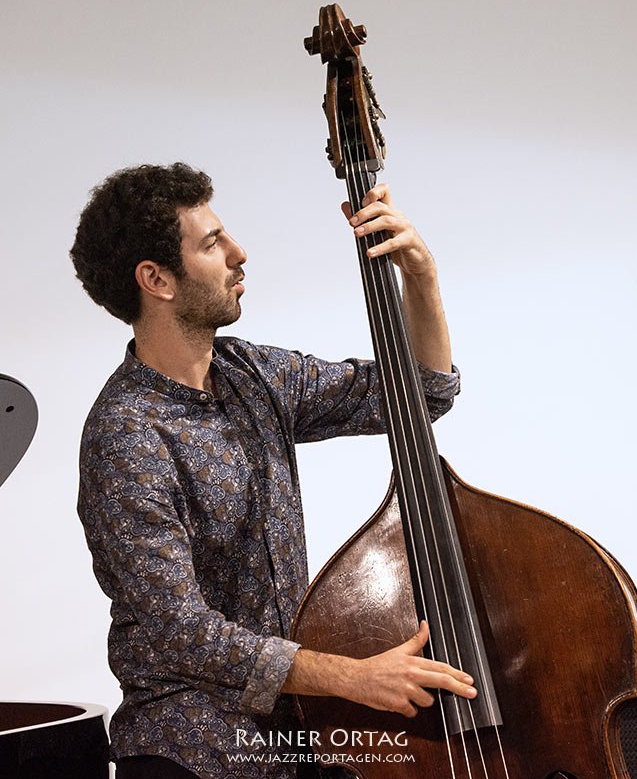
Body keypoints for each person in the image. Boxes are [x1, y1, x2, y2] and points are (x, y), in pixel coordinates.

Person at [70, 162, 476, 779]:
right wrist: (354, 677)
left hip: (298, 739)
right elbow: (183, 630)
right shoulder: (126, 435)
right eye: (211, 243)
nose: (238, 253)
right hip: (189, 752)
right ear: (156, 280)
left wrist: (421, 279)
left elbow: (421, 396)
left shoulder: (255, 374)